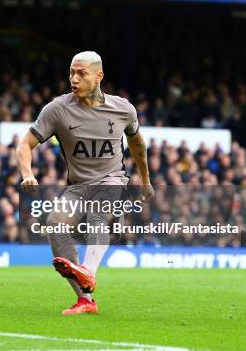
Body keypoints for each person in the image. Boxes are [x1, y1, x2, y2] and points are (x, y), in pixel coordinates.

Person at [16, 51, 154, 315]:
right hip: (78, 186)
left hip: (112, 180)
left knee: (97, 215)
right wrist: (27, 173)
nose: (74, 79)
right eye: (71, 73)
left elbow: (138, 146)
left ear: (99, 76)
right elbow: (25, 143)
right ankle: (86, 300)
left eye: (81, 73)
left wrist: (145, 180)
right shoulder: (57, 109)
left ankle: (88, 271)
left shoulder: (123, 109)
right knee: (55, 226)